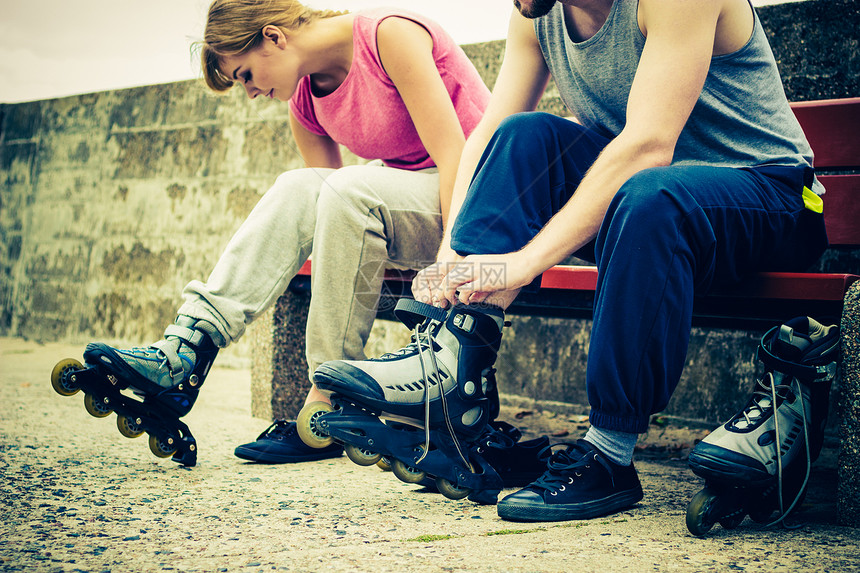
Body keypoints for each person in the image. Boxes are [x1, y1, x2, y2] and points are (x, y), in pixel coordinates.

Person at [310, 0, 832, 522]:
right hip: (646, 209)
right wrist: (453, 257)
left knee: (652, 194)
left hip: (771, 199)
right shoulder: (534, 14)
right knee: (524, 136)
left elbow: (649, 145)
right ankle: (451, 375)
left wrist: (524, 261)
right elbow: (490, 131)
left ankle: (608, 456)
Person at [80, 0, 494, 464]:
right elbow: (328, 208)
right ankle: (190, 345)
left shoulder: (389, 36)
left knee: (348, 187)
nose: (251, 93)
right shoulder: (305, 102)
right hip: (419, 208)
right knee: (299, 186)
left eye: (245, 75)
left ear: (274, 37)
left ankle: (327, 397)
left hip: (486, 201)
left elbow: (454, 154)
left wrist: (449, 260)